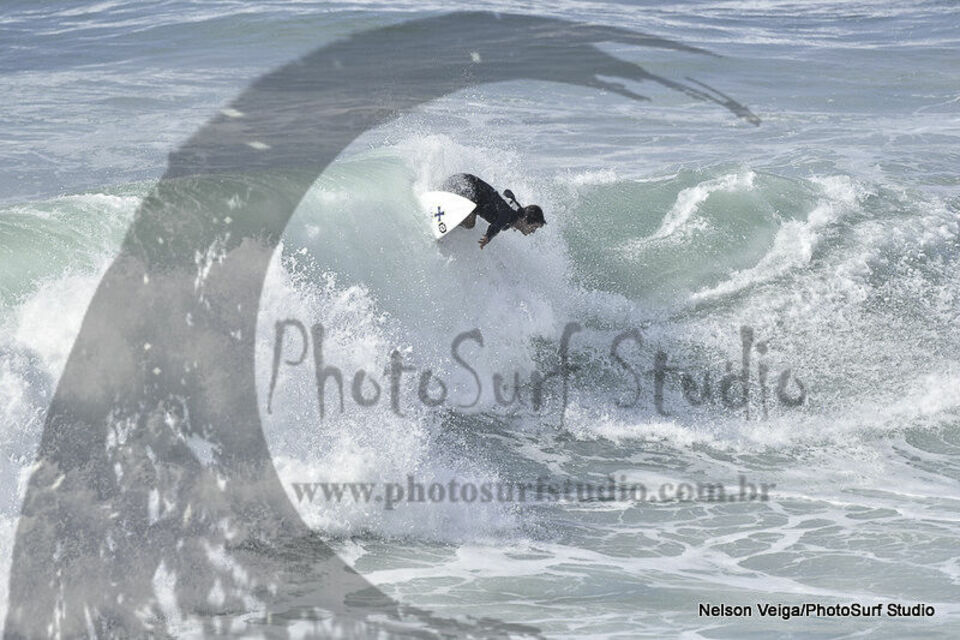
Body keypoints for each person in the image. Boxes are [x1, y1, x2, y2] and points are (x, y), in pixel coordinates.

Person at [440, 173, 546, 249]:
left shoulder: (514, 210)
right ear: (525, 219)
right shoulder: (510, 214)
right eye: (534, 227)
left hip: (463, 182)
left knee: (469, 223)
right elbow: (497, 224)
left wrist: (509, 199)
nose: (533, 231)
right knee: (469, 221)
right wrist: (488, 236)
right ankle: (445, 217)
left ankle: (447, 221)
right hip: (467, 185)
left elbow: (507, 192)